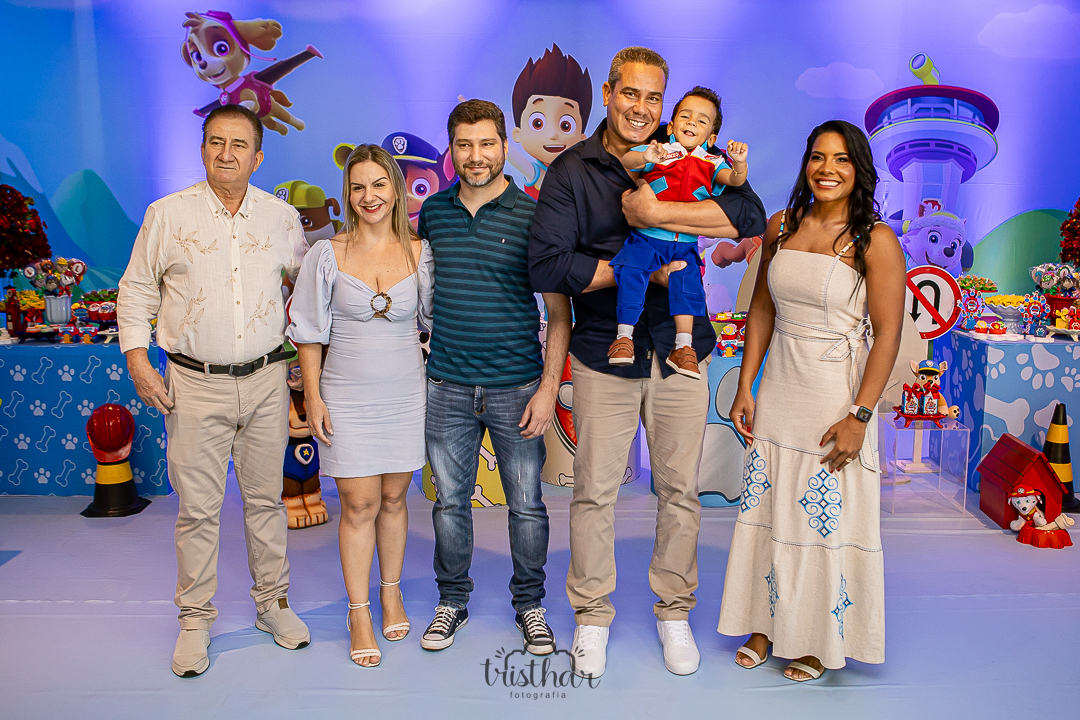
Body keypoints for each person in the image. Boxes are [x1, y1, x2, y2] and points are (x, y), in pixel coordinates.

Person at [529, 47, 766, 678]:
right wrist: (637, 270)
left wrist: (660, 213)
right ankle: (591, 617)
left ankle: (674, 612)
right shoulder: (572, 170)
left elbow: (748, 215)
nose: (642, 108)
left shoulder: (686, 150)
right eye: (630, 94)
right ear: (608, 93)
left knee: (680, 491)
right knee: (594, 493)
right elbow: (549, 265)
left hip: (681, 352)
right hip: (603, 353)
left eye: (653, 97)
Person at [117, 104, 310, 678]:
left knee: (266, 503)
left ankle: (273, 605)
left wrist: (307, 361)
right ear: (203, 149)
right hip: (193, 383)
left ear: (258, 156)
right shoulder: (166, 214)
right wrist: (138, 361)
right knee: (198, 511)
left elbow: (306, 292)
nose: (227, 154)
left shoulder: (282, 219)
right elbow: (135, 291)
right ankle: (195, 619)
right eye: (216, 142)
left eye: (239, 144)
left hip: (267, 381)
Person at [720, 120, 905, 682]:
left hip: (834, 395)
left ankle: (818, 639)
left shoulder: (875, 240)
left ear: (859, 170)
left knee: (824, 518)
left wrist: (859, 416)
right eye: (819, 157)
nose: (828, 169)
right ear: (806, 164)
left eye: (842, 159)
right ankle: (763, 624)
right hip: (780, 386)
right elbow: (762, 309)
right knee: (768, 508)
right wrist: (746, 384)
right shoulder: (781, 225)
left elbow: (888, 336)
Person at [417, 99, 572, 657]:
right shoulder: (433, 213)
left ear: (505, 146)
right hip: (447, 386)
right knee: (449, 505)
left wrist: (548, 389)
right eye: (464, 145)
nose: (476, 156)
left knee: (526, 505)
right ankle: (451, 601)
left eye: (486, 144)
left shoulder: (533, 216)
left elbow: (559, 314)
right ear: (452, 150)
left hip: (517, 387)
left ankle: (530, 605)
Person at [287, 144, 433, 667]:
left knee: (394, 498)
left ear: (396, 189)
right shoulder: (326, 254)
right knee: (358, 504)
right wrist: (314, 397)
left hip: (406, 394)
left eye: (378, 185)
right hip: (346, 396)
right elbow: (308, 333)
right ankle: (359, 612)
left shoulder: (421, 252)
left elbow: (435, 322)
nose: (369, 196)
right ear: (347, 195)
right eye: (358, 187)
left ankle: (391, 593)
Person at [609, 85, 750, 379]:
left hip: (684, 244)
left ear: (711, 138)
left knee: (687, 285)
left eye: (701, 121)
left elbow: (734, 180)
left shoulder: (713, 162)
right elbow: (627, 161)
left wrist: (739, 163)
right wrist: (647, 156)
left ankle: (683, 347)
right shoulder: (660, 150)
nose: (692, 123)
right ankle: (623, 338)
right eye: (686, 117)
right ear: (672, 126)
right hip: (648, 238)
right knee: (632, 270)